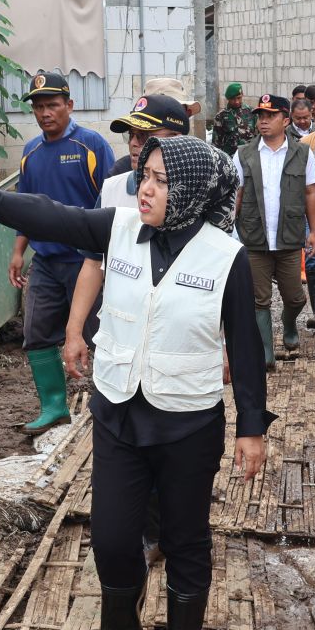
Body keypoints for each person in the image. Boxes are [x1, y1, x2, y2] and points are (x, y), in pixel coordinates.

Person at [0, 135, 274, 630]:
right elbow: (48, 214)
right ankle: (120, 629)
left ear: (193, 191)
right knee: (113, 536)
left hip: (189, 423)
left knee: (186, 537)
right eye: (144, 174)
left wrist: (252, 429)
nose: (145, 188)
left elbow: (245, 347)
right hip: (120, 411)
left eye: (162, 181)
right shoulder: (117, 228)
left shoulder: (226, 257)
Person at [65, 93, 192, 569]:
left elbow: (224, 272)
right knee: (120, 434)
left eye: (147, 134)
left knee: (166, 437)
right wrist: (76, 328)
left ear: (176, 138)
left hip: (173, 344)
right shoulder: (115, 188)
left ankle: (164, 530)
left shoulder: (205, 185)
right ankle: (133, 529)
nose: (135, 144)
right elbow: (93, 265)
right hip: (121, 341)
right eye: (132, 134)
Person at [9, 71, 115, 435]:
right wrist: (18, 250)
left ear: (69, 105)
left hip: (87, 261)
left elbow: (109, 199)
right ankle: (54, 406)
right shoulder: (31, 153)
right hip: (46, 262)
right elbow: (25, 206)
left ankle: (111, 404)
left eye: (52, 105)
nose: (45, 113)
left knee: (100, 334)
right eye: (38, 107)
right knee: (36, 331)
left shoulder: (92, 146)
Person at [234, 94, 315, 370]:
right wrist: (230, 230)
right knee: (258, 299)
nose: (263, 121)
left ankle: (288, 324)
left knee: (295, 297)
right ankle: (266, 353)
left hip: (289, 237)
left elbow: (310, 192)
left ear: (285, 121)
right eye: (260, 116)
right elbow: (237, 194)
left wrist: (314, 231)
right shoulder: (243, 153)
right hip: (254, 238)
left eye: (270, 116)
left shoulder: (302, 153)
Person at [108, 78, 201, 176]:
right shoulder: (119, 174)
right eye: (131, 135)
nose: (133, 143)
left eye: (143, 135)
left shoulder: (201, 170)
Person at [211, 82, 256, 157]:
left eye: (239, 98)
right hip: (230, 158)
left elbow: (257, 136)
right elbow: (216, 143)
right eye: (233, 99)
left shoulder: (252, 112)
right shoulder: (221, 116)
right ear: (228, 99)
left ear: (242, 95)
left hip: (249, 157)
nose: (236, 101)